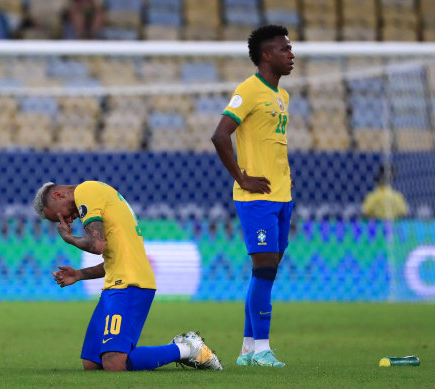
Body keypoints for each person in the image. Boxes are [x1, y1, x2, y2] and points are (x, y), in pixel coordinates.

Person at [33, 180, 222, 372]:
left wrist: (68, 237)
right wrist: (79, 274)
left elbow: (97, 245)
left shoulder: (85, 190)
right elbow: (114, 259)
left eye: (60, 216)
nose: (68, 221)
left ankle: (186, 348)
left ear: (58, 195)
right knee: (92, 363)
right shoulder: (98, 195)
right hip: (115, 283)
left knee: (114, 363)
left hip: (130, 283)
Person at [211, 24, 295, 368]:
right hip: (256, 197)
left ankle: (248, 350)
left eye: (291, 49)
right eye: (285, 49)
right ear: (266, 55)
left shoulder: (282, 96)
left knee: (266, 270)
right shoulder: (248, 89)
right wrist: (241, 177)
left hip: (281, 195)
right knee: (264, 268)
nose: (292, 55)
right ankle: (262, 348)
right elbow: (219, 135)